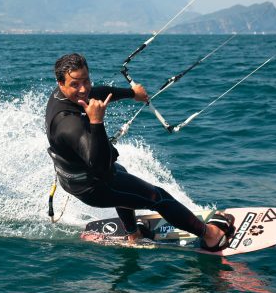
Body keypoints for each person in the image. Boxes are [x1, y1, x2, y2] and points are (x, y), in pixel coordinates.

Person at [46, 52, 234, 250]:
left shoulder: (64, 96)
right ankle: (211, 236)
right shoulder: (67, 124)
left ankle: (132, 233)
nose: (83, 89)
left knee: (122, 174)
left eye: (86, 80)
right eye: (75, 84)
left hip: (76, 178)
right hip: (93, 186)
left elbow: (97, 93)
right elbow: (100, 168)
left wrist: (132, 93)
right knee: (157, 197)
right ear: (61, 83)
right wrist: (96, 121)